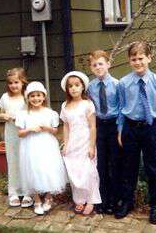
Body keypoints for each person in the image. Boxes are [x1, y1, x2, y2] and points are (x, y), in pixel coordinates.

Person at [114, 41, 156, 224]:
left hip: (150, 129)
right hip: (130, 129)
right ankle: (127, 202)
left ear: (149, 58)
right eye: (134, 59)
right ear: (129, 61)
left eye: (141, 58)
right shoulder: (123, 83)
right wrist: (120, 130)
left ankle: (155, 206)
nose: (138, 63)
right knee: (128, 167)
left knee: (153, 169)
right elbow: (120, 108)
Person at [15, 81, 67, 215]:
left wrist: (47, 128)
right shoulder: (23, 114)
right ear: (28, 98)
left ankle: (49, 197)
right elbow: (20, 133)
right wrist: (30, 129)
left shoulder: (50, 113)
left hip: (47, 144)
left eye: (39, 95)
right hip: (30, 146)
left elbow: (55, 130)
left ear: (44, 97)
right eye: (32, 96)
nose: (36, 99)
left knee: (47, 169)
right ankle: (37, 198)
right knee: (33, 170)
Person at [60, 71, 102, 215]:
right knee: (75, 171)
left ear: (82, 87)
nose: (74, 88)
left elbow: (92, 126)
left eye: (77, 85)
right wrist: (65, 144)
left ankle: (91, 200)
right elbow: (66, 126)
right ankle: (79, 199)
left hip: (85, 141)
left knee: (88, 171)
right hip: (73, 142)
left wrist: (91, 146)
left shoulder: (87, 104)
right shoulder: (65, 105)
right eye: (70, 86)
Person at [87, 50, 122, 214]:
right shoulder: (90, 87)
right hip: (99, 126)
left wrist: (121, 130)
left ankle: (115, 200)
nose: (98, 67)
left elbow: (122, 109)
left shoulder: (117, 84)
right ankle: (102, 199)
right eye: (94, 65)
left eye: (101, 63)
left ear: (108, 64)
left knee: (115, 163)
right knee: (101, 164)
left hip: (114, 125)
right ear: (91, 68)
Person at [0, 67, 33, 208]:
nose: (14, 85)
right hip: (11, 132)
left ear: (23, 82)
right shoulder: (5, 97)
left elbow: (32, 113)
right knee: (13, 160)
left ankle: (28, 192)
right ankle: (13, 192)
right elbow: (1, 113)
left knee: (26, 160)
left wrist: (19, 117)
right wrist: (4, 116)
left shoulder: (27, 97)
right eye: (11, 83)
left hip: (24, 133)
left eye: (16, 82)